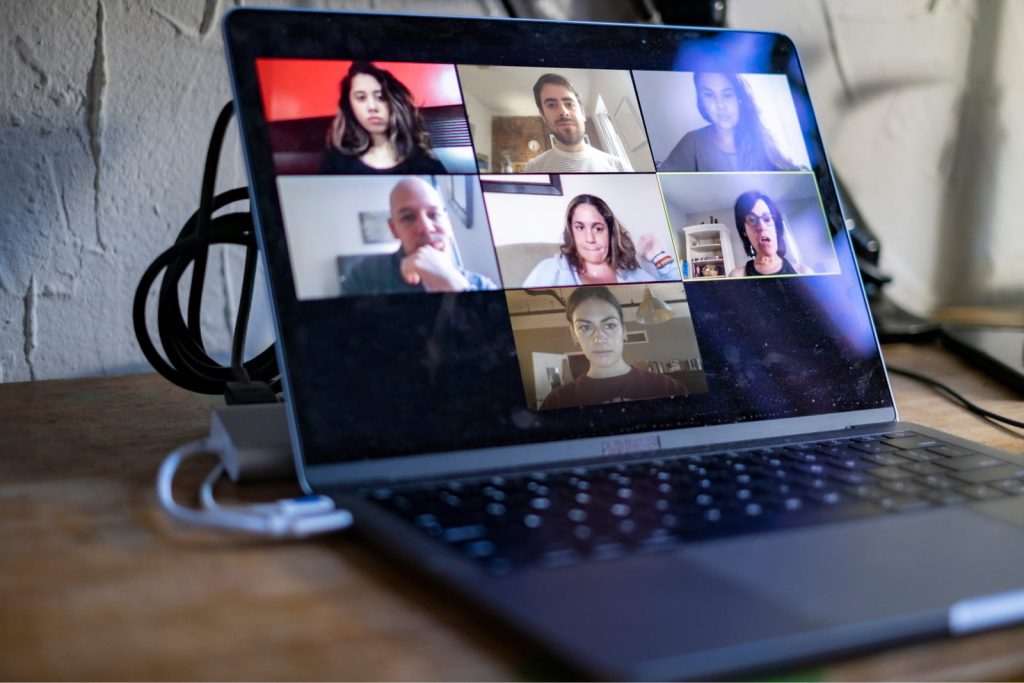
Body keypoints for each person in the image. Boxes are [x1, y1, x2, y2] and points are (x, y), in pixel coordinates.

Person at [343, 177, 497, 294]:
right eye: (408, 217)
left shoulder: (482, 285)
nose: (426, 228)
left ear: (448, 223)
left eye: (434, 215)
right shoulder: (364, 276)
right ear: (394, 229)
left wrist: (458, 288)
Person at [540, 287, 686, 409]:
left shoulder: (669, 389)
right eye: (585, 327)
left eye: (610, 325)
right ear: (574, 335)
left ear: (624, 331)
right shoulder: (556, 402)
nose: (599, 338)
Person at [521, 194, 680, 287]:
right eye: (580, 227)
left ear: (610, 232)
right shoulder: (549, 270)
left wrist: (656, 254)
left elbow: (679, 288)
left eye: (598, 228)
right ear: (571, 231)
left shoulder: (633, 275)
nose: (590, 239)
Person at [320, 62, 447, 175]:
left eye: (380, 97)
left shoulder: (424, 162)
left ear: (394, 102)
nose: (372, 107)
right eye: (361, 98)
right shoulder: (337, 159)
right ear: (350, 106)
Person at [659, 72, 799, 172]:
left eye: (727, 95)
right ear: (701, 100)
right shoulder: (691, 142)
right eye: (709, 95)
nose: (720, 105)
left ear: (739, 97)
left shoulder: (762, 138)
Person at [523, 73, 633, 173]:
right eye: (551, 105)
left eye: (569, 104)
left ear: (583, 113)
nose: (563, 112)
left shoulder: (619, 167)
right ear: (543, 116)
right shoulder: (533, 169)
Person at [728, 190, 813, 277]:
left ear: (775, 228)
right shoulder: (738, 276)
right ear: (744, 231)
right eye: (752, 220)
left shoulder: (804, 272)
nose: (762, 227)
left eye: (767, 219)